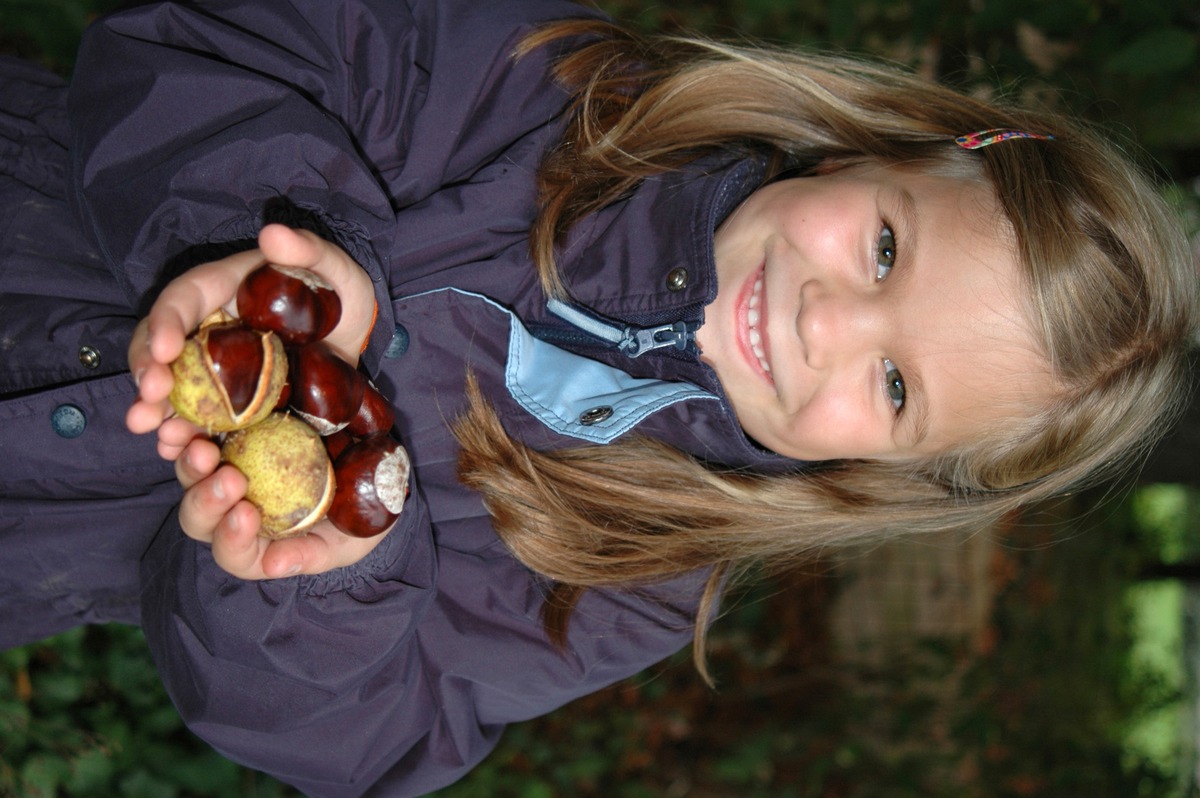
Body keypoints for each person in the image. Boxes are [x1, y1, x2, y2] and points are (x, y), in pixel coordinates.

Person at [1, 0, 1195, 795]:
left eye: (894, 385)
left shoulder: (640, 563)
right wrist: (265, 226)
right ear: (886, 153)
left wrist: (329, 577)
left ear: (896, 470)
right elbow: (206, 39)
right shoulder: (557, 83)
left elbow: (368, 737)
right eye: (886, 250)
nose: (828, 323)